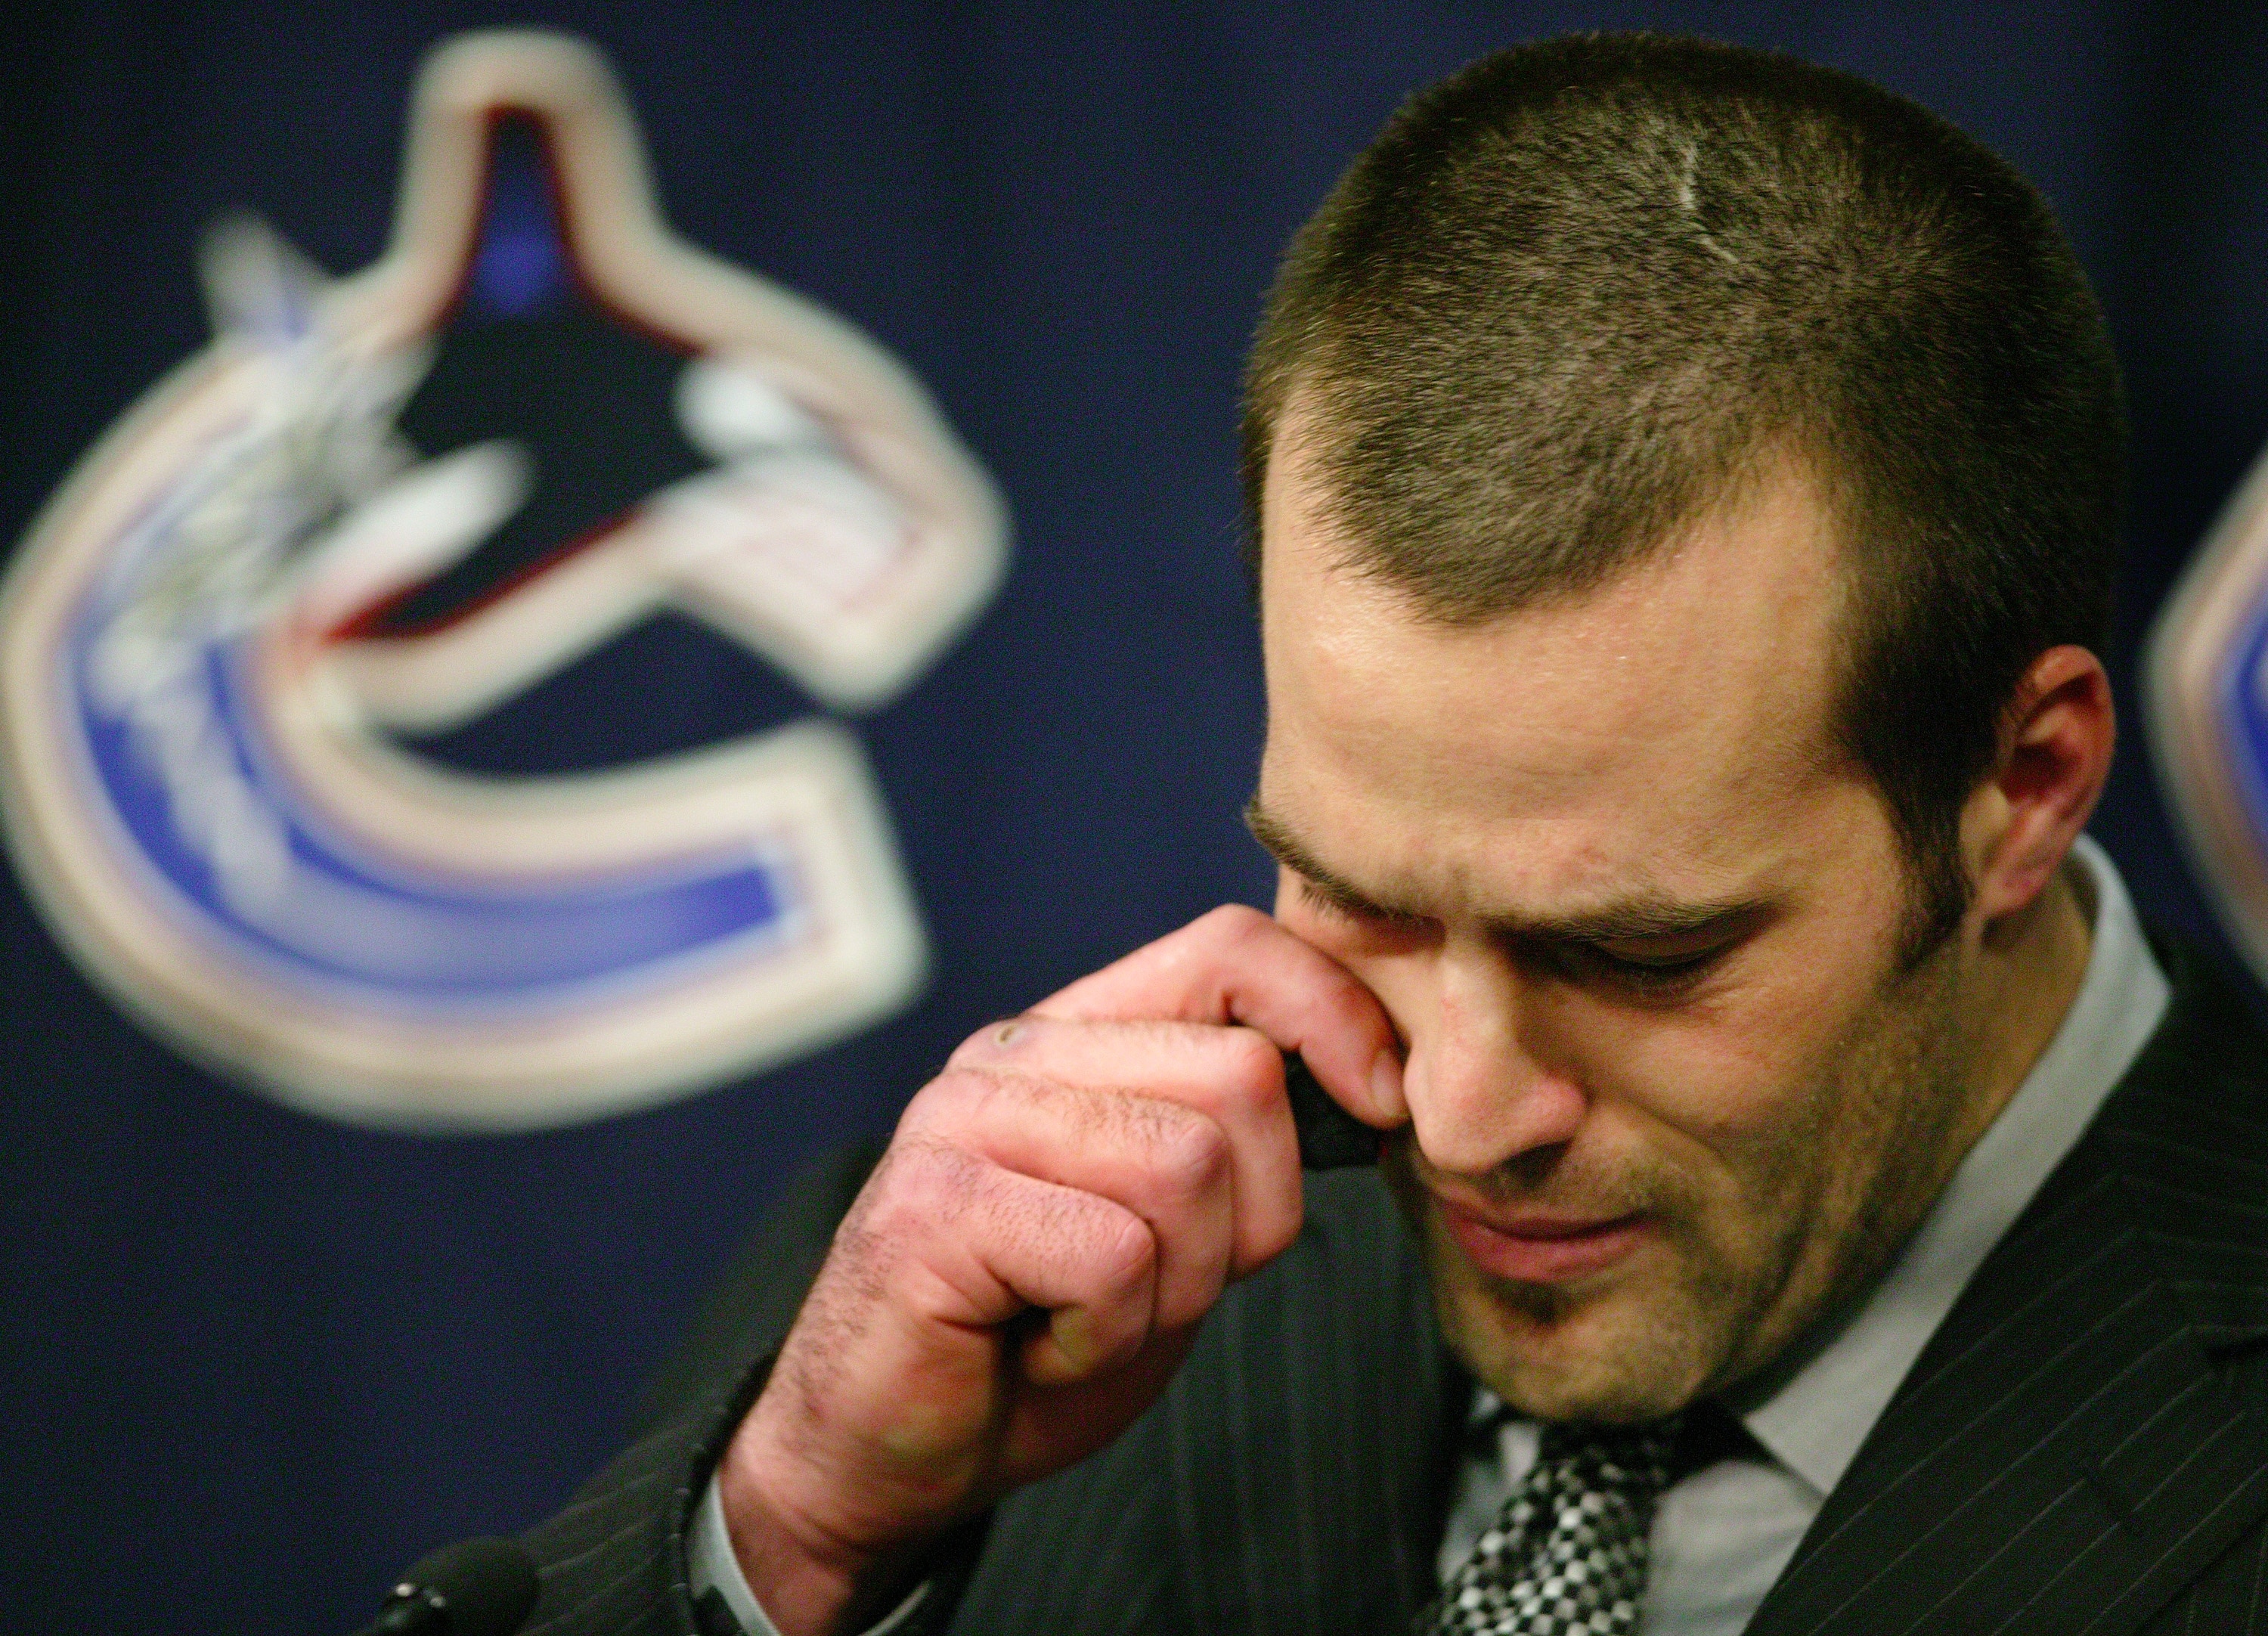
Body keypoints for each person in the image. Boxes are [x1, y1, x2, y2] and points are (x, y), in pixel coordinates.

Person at [502, 35, 2268, 1636]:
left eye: (1637, 952)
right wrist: (793, 1533)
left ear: (2025, 783)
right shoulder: (991, 1290)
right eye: (1359, 902)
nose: (1462, 1115)